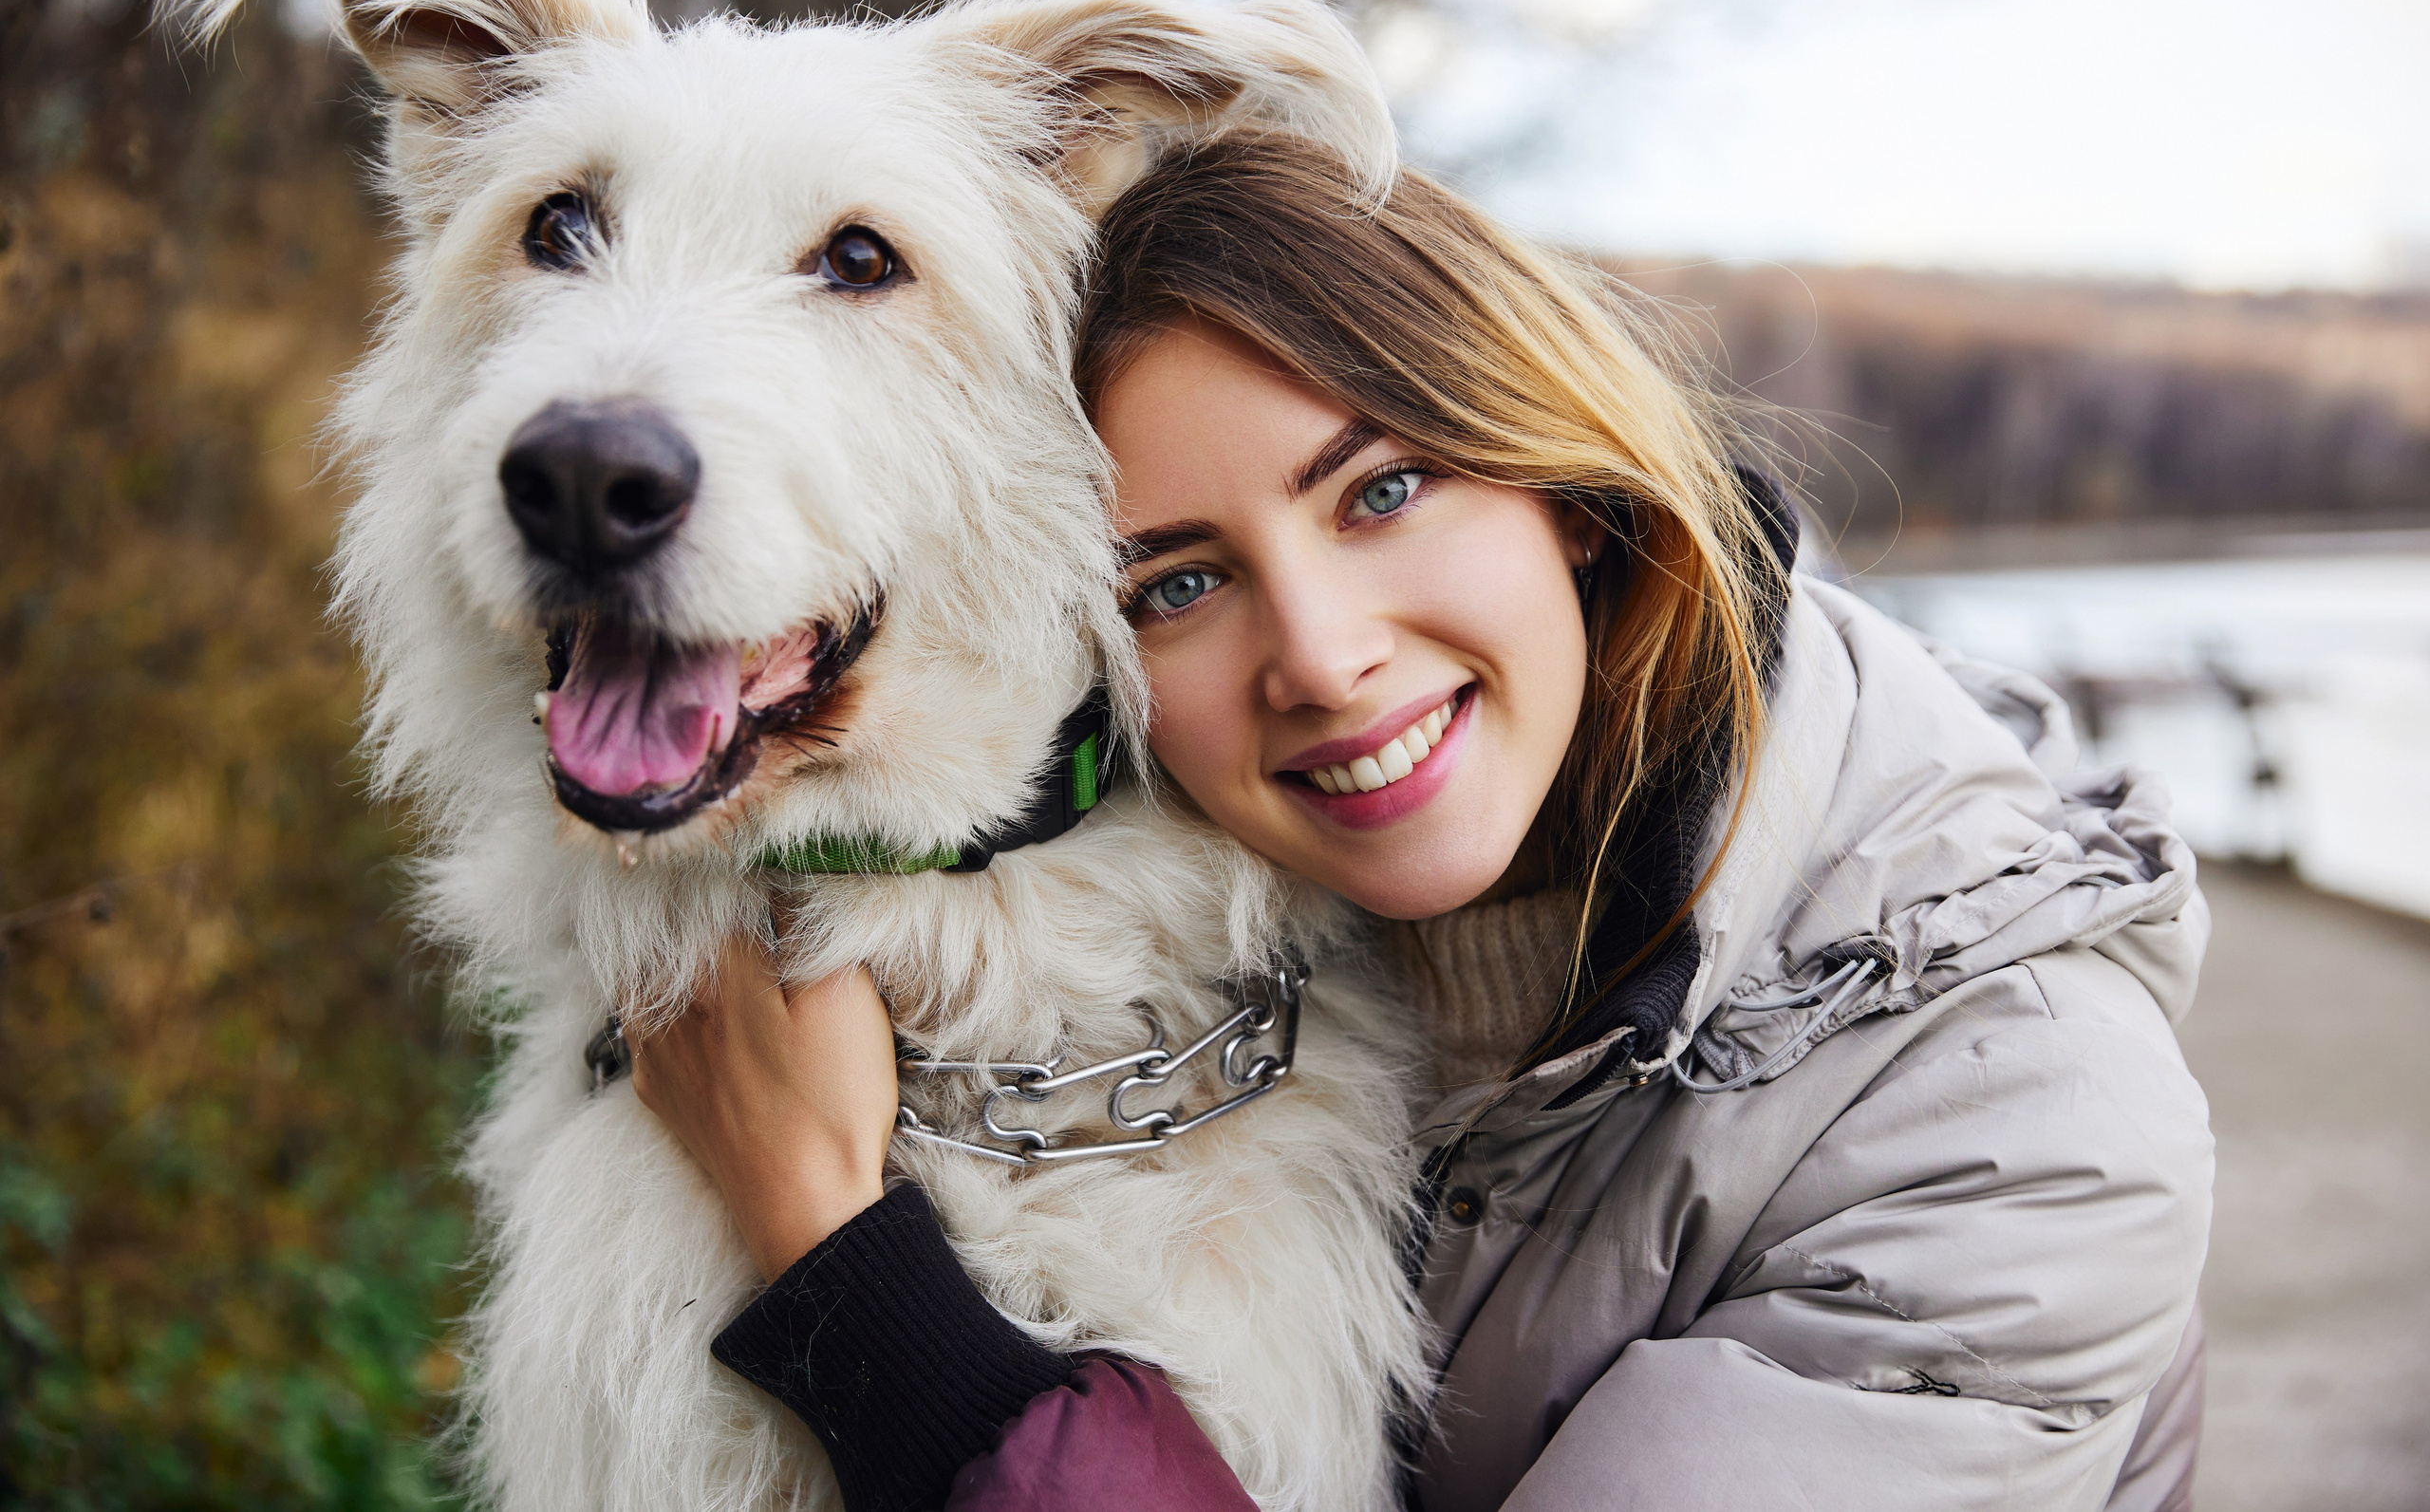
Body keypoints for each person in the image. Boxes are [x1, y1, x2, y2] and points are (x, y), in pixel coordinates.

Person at [630, 134, 2214, 1512]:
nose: (1321, 657)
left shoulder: (2021, 1134)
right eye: (1176, 585)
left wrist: (844, 1254)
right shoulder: (1249, 935)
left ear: (1571, 490)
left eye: (1380, 493)